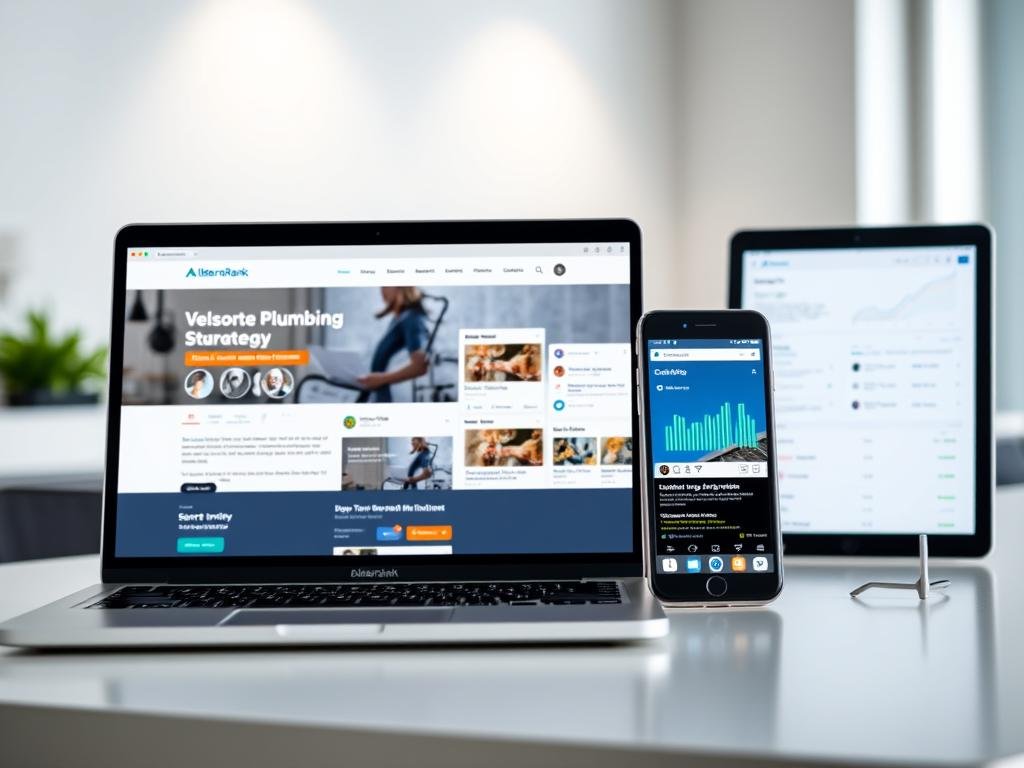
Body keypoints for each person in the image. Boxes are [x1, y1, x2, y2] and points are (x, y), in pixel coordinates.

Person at [357, 287, 430, 402]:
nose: (382, 290)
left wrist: (380, 379)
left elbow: (420, 366)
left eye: (386, 285)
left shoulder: (411, 318)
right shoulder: (397, 319)